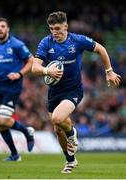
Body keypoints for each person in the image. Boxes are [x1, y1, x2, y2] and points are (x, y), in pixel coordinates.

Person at [32, 11, 121, 173]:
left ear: (66, 26)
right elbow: (34, 67)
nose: (54, 32)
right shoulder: (46, 42)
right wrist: (46, 71)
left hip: (73, 90)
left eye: (58, 28)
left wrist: (109, 71)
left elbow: (100, 49)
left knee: (58, 118)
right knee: (57, 128)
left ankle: (72, 134)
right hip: (54, 92)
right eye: (51, 28)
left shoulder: (77, 40)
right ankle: (70, 161)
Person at [0, 17, 35, 161]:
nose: (0, 29)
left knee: (3, 119)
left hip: (13, 86)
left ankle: (26, 131)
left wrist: (19, 73)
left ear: (8, 28)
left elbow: (31, 60)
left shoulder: (17, 44)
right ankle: (15, 155)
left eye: (3, 26)